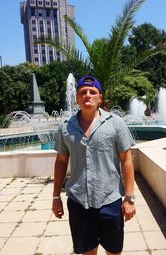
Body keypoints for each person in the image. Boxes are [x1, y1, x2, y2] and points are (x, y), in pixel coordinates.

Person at [52, 76, 136, 255]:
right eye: (83, 92)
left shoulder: (116, 123)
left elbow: (127, 160)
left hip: (110, 201)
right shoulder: (65, 127)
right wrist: (55, 197)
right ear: (76, 98)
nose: (87, 96)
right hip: (78, 202)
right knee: (88, 252)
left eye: (92, 92)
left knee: (114, 251)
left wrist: (129, 198)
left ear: (100, 98)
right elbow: (61, 162)